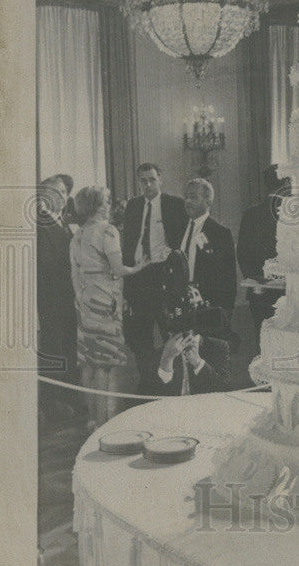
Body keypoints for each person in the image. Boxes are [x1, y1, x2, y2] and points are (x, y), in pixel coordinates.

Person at [70, 186, 150, 429]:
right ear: (98, 205)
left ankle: (92, 418)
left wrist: (82, 299)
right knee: (104, 364)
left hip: (85, 302)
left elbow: (74, 275)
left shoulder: (78, 235)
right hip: (105, 302)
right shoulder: (107, 232)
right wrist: (139, 267)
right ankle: (103, 423)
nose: (108, 205)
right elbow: (118, 270)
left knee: (89, 362)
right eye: (105, 201)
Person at [122, 163, 188, 386]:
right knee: (140, 334)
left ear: (160, 180)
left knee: (170, 328)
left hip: (165, 275)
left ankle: (174, 380)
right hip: (139, 276)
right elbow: (128, 242)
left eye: (152, 179)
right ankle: (147, 380)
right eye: (143, 180)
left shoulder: (175, 205)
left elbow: (184, 241)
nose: (148, 185)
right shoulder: (132, 206)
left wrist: (174, 255)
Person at [36, 176, 85, 427]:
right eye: (55, 192)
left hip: (68, 301)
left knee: (69, 348)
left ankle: (70, 398)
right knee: (54, 350)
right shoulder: (38, 225)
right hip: (50, 303)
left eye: (65, 192)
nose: (62, 197)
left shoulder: (65, 223)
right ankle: (52, 403)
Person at [237, 165, 289, 353]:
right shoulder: (292, 213)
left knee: (264, 343)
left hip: (259, 291)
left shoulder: (251, 213)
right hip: (288, 292)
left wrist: (257, 281)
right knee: (288, 344)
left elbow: (242, 254)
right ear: (285, 183)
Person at [179, 178, 237, 314]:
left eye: (193, 197)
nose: (187, 202)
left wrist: (226, 310)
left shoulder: (220, 233)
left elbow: (228, 277)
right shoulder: (178, 229)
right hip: (181, 305)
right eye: (186, 197)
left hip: (208, 306)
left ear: (208, 201)